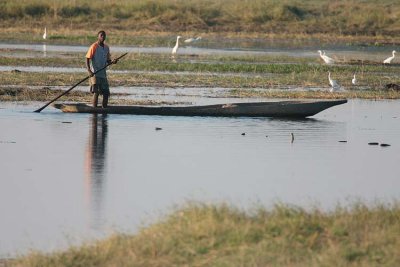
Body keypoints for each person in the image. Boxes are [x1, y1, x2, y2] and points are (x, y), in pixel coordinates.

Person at [86, 30, 118, 108]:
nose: (103, 37)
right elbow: (87, 58)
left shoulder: (106, 48)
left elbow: (108, 61)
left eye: (104, 35)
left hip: (103, 73)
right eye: (101, 35)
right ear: (98, 37)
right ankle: (94, 110)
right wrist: (89, 70)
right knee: (96, 92)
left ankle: (104, 110)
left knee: (106, 92)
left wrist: (113, 62)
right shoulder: (94, 46)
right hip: (94, 73)